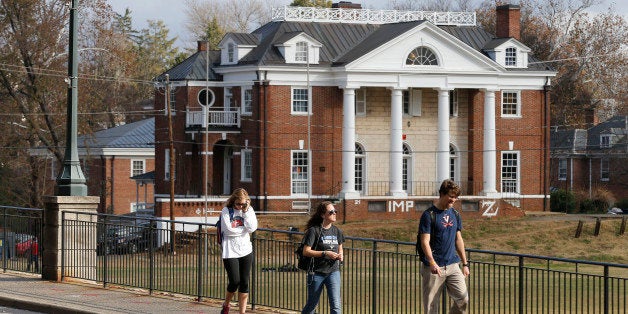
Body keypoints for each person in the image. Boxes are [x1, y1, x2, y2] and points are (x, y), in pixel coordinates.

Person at [419, 179, 470, 314]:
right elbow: (425, 242)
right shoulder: (429, 215)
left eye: (456, 197)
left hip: (453, 265)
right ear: (441, 194)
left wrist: (465, 263)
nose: (453, 200)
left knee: (463, 299)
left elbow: (458, 239)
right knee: (431, 308)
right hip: (434, 267)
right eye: (451, 196)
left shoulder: (455, 214)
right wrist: (432, 262)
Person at [301, 201, 345, 314]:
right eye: (331, 212)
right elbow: (306, 251)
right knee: (312, 305)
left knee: (336, 306)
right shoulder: (314, 231)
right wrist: (325, 253)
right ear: (322, 215)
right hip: (316, 273)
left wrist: (340, 255)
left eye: (335, 211)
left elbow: (340, 247)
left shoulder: (337, 231)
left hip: (333, 272)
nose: (334, 213)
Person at [220, 188, 258, 314]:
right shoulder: (226, 211)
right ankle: (226, 304)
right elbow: (228, 230)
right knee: (234, 281)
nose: (240, 206)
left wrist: (246, 212)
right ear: (233, 201)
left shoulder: (249, 210)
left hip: (246, 250)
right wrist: (244, 230)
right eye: (238, 204)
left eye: (243, 204)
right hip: (230, 251)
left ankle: (242, 312)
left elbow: (252, 228)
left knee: (244, 282)